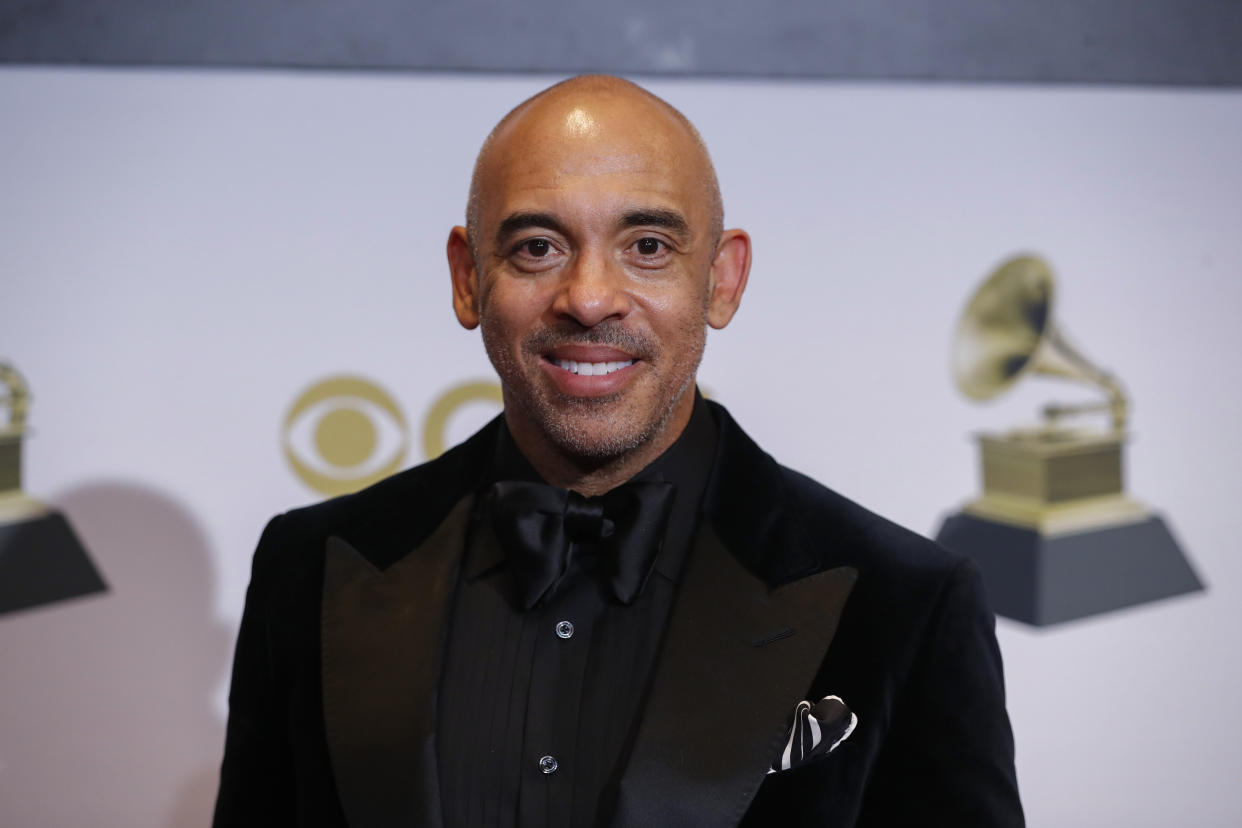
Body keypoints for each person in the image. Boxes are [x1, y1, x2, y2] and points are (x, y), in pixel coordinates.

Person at [213, 75, 1023, 827]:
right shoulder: (313, 567)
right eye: (538, 246)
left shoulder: (904, 604)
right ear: (468, 278)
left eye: (647, 247)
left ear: (723, 279)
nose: (590, 298)